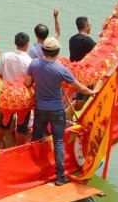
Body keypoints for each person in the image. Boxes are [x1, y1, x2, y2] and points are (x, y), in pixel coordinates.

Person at [25, 36, 96, 185]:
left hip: (40, 109)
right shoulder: (61, 69)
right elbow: (81, 87)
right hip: (57, 110)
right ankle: (60, 177)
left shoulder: (34, 63)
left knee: (36, 140)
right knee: (58, 142)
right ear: (57, 52)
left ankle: (32, 174)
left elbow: (27, 83)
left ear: (43, 50)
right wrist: (93, 93)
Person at [0, 32, 33, 149]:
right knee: (22, 126)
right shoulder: (29, 61)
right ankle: (19, 150)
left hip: (6, 95)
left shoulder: (6, 56)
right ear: (27, 45)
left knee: (2, 124)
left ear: (15, 43)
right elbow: (28, 82)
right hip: (22, 97)